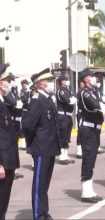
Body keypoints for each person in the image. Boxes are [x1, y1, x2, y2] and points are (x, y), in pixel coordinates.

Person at [22, 68, 60, 220]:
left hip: (50, 147)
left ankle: (44, 212)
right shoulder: (37, 100)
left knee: (44, 184)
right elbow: (28, 125)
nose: (51, 84)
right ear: (40, 84)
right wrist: (34, 142)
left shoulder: (48, 99)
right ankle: (38, 215)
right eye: (48, 81)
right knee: (39, 185)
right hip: (41, 147)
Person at [77, 68, 104, 203]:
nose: (93, 78)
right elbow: (96, 105)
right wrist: (102, 105)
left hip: (94, 129)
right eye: (91, 76)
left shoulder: (92, 91)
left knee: (92, 158)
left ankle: (89, 189)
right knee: (88, 158)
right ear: (85, 79)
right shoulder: (84, 93)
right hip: (87, 129)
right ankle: (86, 192)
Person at [0, 63, 20, 219]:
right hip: (2, 164)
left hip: (8, 162)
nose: (9, 82)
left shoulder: (2, 103)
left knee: (3, 203)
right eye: (6, 79)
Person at [56, 75, 77, 165]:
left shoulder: (68, 91)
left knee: (67, 137)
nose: (67, 81)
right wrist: (72, 99)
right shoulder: (60, 91)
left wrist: (72, 99)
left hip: (68, 116)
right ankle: (62, 156)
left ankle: (66, 155)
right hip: (62, 116)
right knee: (62, 136)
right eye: (65, 80)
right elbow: (69, 101)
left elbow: (74, 99)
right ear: (61, 82)